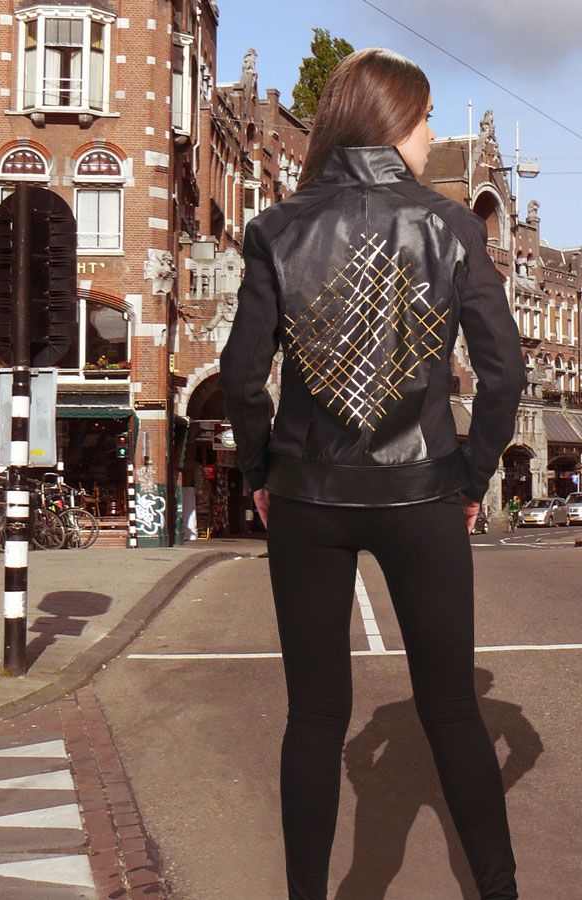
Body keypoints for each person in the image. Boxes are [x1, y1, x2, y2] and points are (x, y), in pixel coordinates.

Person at [219, 47, 527, 900]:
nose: (430, 136)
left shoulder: (276, 229)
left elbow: (241, 378)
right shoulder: (452, 228)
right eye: (425, 119)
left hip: (307, 495)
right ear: (393, 122)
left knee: (315, 716)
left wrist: (260, 472)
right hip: (422, 492)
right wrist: (471, 477)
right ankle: (498, 890)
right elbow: (504, 375)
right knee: (453, 710)